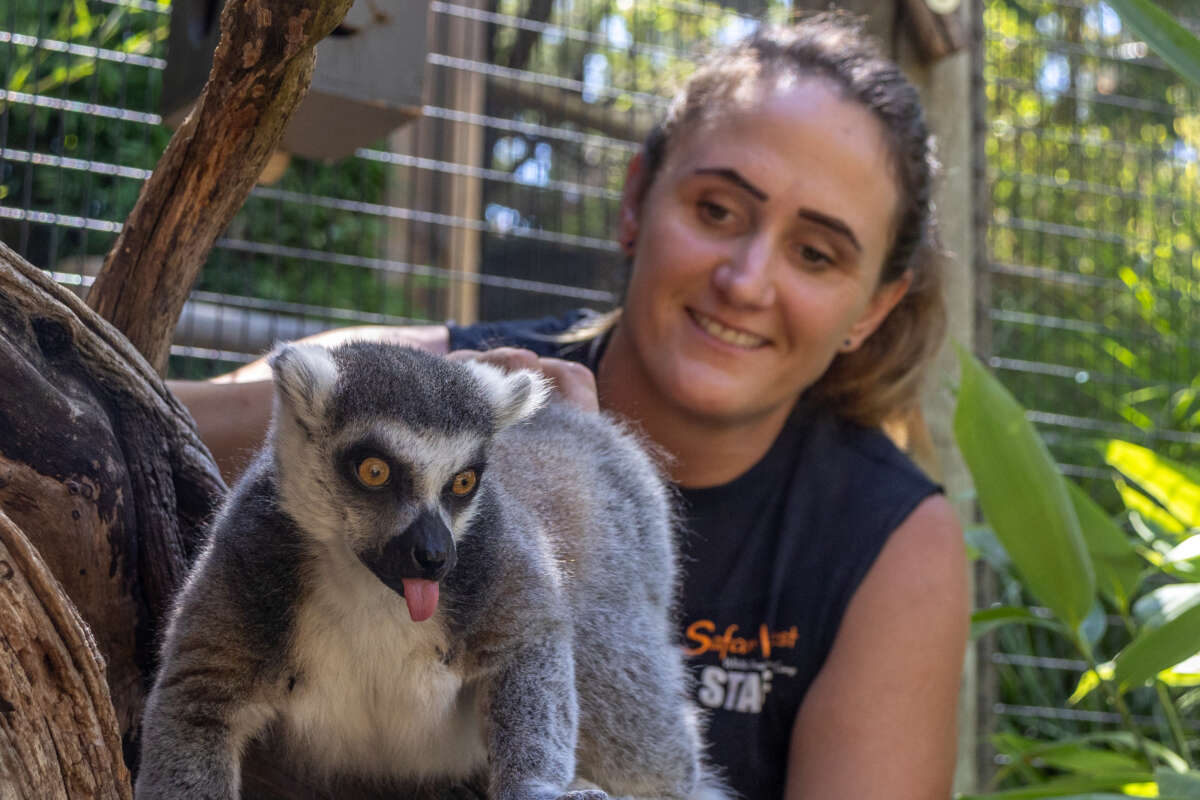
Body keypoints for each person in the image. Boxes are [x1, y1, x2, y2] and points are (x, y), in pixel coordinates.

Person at [172, 13, 968, 799]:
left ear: (874, 308)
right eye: (718, 211)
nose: (747, 281)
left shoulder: (887, 536)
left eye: (816, 254)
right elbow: (131, 420)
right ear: (635, 202)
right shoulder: (439, 388)